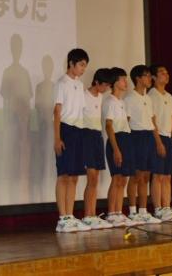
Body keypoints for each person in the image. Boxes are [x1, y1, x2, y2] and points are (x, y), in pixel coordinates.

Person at [53, 49, 92, 232]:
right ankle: (62, 218)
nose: (84, 69)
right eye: (81, 64)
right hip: (66, 130)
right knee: (64, 175)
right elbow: (57, 112)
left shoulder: (80, 84)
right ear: (71, 63)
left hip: (79, 131)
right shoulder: (62, 83)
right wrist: (57, 138)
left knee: (74, 176)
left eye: (85, 65)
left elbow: (82, 111)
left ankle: (70, 215)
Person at [124, 65, 162, 224]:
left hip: (148, 137)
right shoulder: (129, 98)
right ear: (138, 78)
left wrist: (158, 141)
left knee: (146, 176)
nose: (149, 78)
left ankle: (143, 210)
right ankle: (132, 211)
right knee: (135, 175)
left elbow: (152, 121)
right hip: (136, 136)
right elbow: (125, 122)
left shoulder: (148, 98)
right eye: (146, 75)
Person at [147, 65, 172, 222]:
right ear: (154, 77)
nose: (166, 75)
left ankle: (167, 207)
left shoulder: (169, 97)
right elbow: (152, 120)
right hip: (157, 137)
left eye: (167, 72)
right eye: (162, 73)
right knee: (157, 175)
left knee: (167, 176)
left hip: (168, 138)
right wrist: (158, 142)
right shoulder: (151, 95)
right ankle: (158, 209)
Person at [80, 68, 114, 230]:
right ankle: (88, 215)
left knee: (96, 179)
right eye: (105, 85)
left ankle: (93, 215)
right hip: (86, 136)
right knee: (91, 177)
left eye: (108, 86)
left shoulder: (100, 97)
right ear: (97, 82)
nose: (106, 89)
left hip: (96, 136)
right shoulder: (83, 95)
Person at [103, 67, 134, 227]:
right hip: (116, 140)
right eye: (122, 79)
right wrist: (116, 149)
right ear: (115, 83)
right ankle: (112, 213)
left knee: (123, 179)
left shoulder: (122, 102)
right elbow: (109, 126)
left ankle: (119, 211)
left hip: (126, 139)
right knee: (116, 178)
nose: (125, 82)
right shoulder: (109, 101)